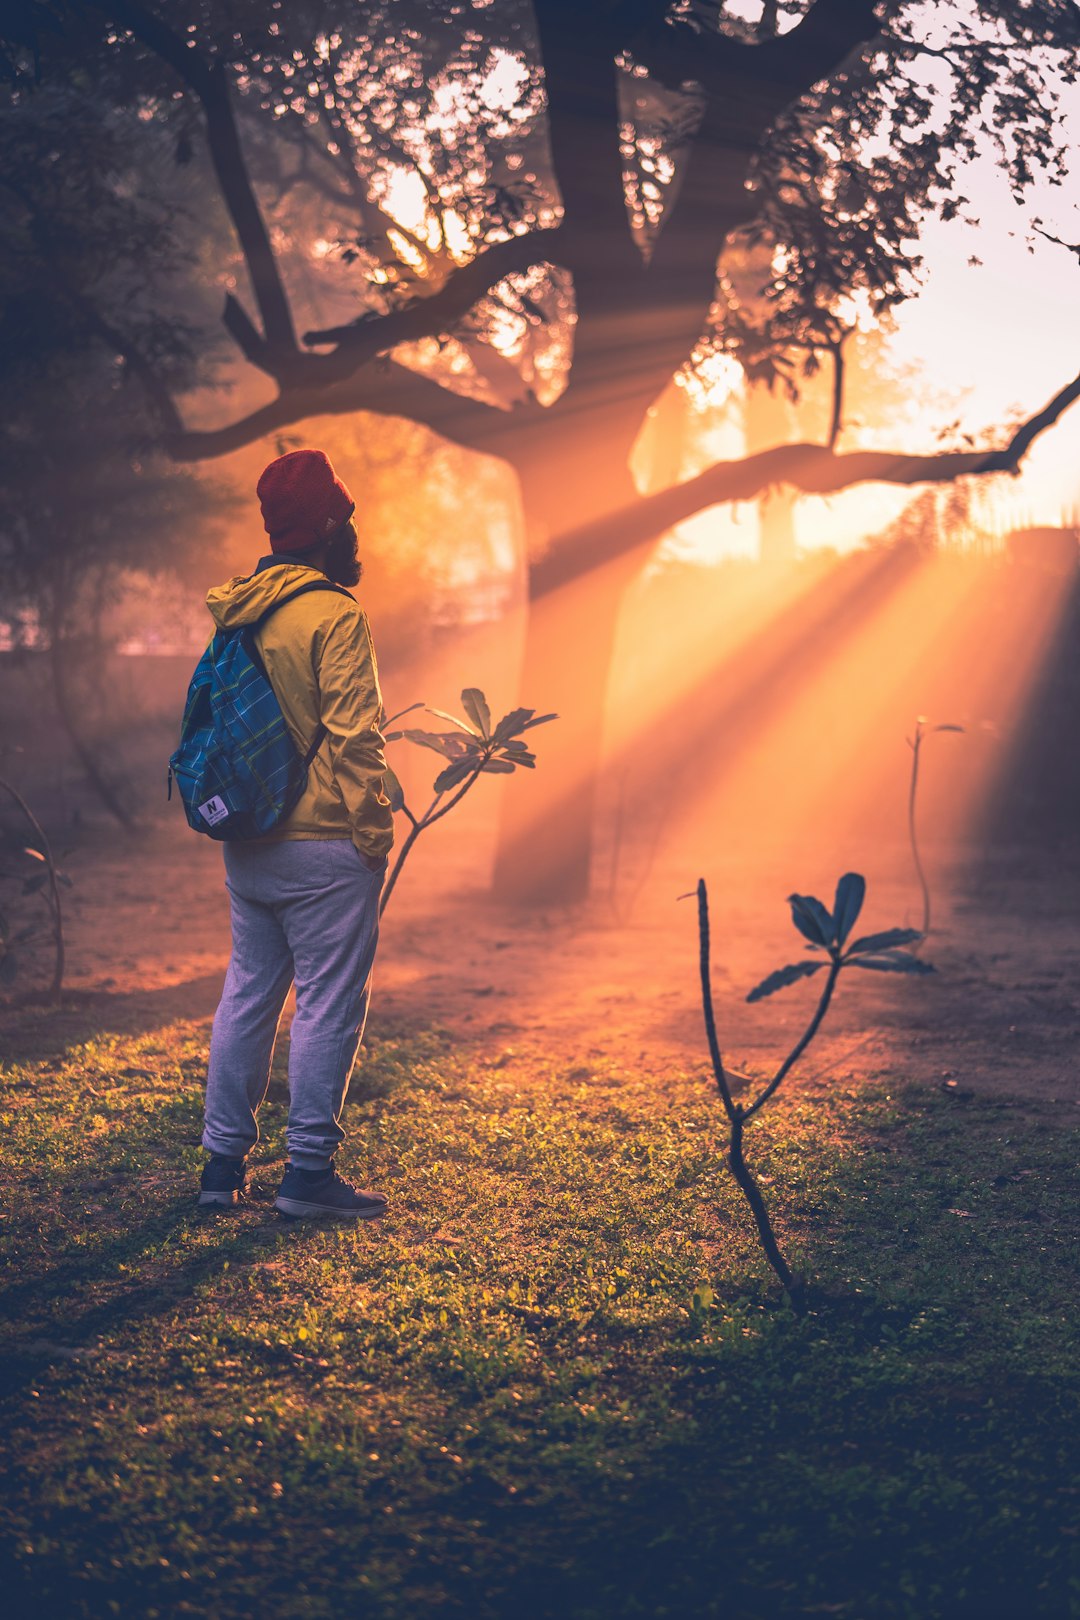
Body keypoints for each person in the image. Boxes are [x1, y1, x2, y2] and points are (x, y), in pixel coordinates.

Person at [197, 449, 394, 1220]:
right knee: (326, 1004)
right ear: (332, 525)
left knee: (247, 997)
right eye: (347, 518)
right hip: (323, 845)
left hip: (247, 843)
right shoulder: (334, 614)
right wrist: (372, 837)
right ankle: (308, 1174)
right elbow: (355, 738)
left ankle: (221, 1168)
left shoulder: (239, 608)